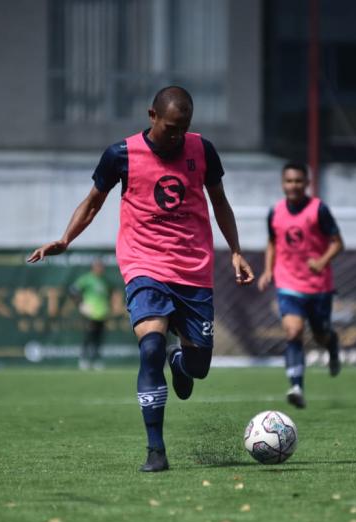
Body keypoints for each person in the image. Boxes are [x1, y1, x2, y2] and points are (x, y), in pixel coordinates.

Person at [27, 86, 254, 472]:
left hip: (193, 268)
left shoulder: (203, 151)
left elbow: (219, 202)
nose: (177, 136)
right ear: (152, 116)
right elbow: (93, 202)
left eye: (183, 128)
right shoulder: (121, 155)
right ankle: (156, 450)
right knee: (149, 348)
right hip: (143, 263)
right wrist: (66, 239)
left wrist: (235, 250)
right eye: (169, 127)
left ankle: (181, 362)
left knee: (199, 367)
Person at [256, 162, 343, 409]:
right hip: (288, 283)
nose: (293, 186)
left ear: (306, 183)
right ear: (283, 183)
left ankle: (332, 344)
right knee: (293, 331)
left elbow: (338, 242)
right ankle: (296, 386)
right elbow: (272, 242)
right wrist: (267, 270)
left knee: (320, 335)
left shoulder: (319, 210)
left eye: (298, 181)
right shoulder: (275, 212)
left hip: (319, 286)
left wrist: (322, 261)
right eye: (289, 181)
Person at [70, 259, 111, 370]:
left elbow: (106, 296)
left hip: (101, 314)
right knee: (88, 337)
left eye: (102, 267)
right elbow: (73, 290)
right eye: (98, 266)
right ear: (93, 267)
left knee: (99, 339)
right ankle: (83, 359)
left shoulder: (104, 280)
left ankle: (96, 360)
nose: (101, 269)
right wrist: (81, 305)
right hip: (90, 314)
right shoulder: (87, 279)